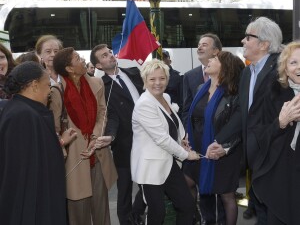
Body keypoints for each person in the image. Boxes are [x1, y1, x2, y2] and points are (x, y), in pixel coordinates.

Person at [208, 17, 283, 225]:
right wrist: (222, 142)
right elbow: (244, 113)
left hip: (275, 157)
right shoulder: (247, 73)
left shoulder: (281, 70)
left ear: (264, 44)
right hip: (254, 159)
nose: (243, 40)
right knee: (261, 209)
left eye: (248, 36)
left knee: (275, 212)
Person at [49, 47, 117, 225]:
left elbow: (103, 113)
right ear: (70, 69)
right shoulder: (57, 92)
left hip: (98, 157)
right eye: (78, 58)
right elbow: (54, 130)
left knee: (102, 212)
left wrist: (95, 138)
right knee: (79, 215)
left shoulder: (97, 83)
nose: (83, 61)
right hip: (74, 160)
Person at [131, 58, 200, 225]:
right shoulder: (144, 104)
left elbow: (172, 125)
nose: (157, 83)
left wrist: (181, 139)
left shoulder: (165, 98)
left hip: (168, 163)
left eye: (162, 78)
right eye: (152, 79)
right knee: (157, 213)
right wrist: (186, 155)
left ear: (167, 79)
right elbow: (161, 138)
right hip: (150, 167)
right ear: (145, 81)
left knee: (187, 206)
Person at [0, 61, 67, 225]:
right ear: (34, 85)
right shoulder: (22, 115)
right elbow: (21, 174)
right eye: (47, 85)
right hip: (34, 206)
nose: (49, 92)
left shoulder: (26, 110)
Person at [185, 51, 245, 225]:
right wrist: (188, 134)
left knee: (226, 195)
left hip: (222, 152)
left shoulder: (232, 94)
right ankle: (201, 219)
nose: (209, 60)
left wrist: (224, 147)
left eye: (215, 59)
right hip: (198, 148)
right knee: (190, 182)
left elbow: (237, 127)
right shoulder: (200, 89)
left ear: (225, 67)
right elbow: (195, 117)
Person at [90, 44, 146, 225]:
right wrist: (111, 136)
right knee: (125, 188)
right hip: (124, 143)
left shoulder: (134, 72)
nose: (110, 56)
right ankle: (126, 221)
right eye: (104, 56)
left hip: (148, 137)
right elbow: (110, 115)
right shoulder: (102, 86)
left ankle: (137, 213)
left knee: (150, 182)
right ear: (98, 66)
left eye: (109, 53)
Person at [252, 41, 300, 225]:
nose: (299, 67)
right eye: (293, 62)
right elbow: (261, 136)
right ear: (285, 70)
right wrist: (281, 122)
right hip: (281, 177)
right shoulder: (273, 94)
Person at [182, 33, 225, 224]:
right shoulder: (190, 76)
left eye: (205, 44)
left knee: (223, 188)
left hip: (220, 140)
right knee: (202, 184)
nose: (199, 47)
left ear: (216, 51)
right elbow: (186, 109)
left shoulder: (227, 74)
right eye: (198, 44)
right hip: (198, 141)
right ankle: (207, 219)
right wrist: (187, 136)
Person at [162, 49, 183, 119]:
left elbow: (181, 99)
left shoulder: (177, 77)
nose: (162, 60)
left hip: (173, 114)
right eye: (160, 58)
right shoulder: (151, 76)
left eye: (164, 58)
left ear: (170, 61)